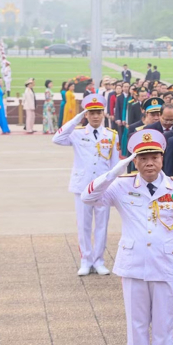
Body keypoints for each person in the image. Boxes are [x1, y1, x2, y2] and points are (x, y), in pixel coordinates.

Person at [81, 129, 173, 345]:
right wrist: (115, 170)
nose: (149, 163)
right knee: (137, 327)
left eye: (154, 156)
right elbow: (89, 198)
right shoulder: (121, 185)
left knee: (164, 328)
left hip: (166, 265)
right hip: (133, 266)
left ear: (162, 158)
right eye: (142, 158)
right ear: (135, 160)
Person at [53, 94, 120, 275]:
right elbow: (57, 139)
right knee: (83, 225)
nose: (95, 116)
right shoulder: (77, 133)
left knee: (101, 225)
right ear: (86, 114)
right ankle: (85, 260)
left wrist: (114, 186)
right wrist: (76, 119)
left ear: (103, 113)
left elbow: (114, 164)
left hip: (102, 187)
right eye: (91, 113)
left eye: (98, 112)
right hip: (82, 185)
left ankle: (99, 260)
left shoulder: (111, 135)